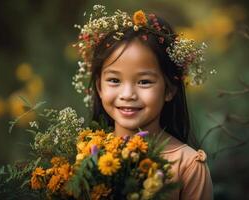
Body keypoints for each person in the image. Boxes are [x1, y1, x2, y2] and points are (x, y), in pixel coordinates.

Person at [73, 5, 213, 200]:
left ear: (169, 90)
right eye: (114, 80)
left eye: (144, 82)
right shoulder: (85, 155)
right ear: (99, 87)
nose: (128, 94)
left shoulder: (188, 164)